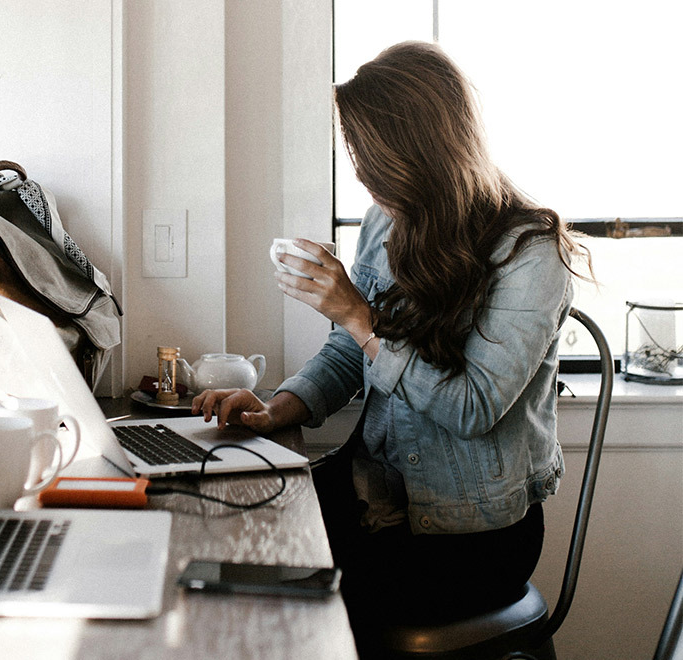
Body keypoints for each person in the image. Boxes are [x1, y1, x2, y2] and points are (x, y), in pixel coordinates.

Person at [191, 41, 592, 654]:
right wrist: (279, 408)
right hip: (375, 496)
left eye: (370, 157)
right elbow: (349, 352)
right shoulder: (388, 222)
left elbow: (472, 408)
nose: (361, 175)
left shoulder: (530, 253)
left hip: (470, 536)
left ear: (422, 152)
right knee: (223, 532)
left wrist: (358, 315)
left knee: (275, 600)